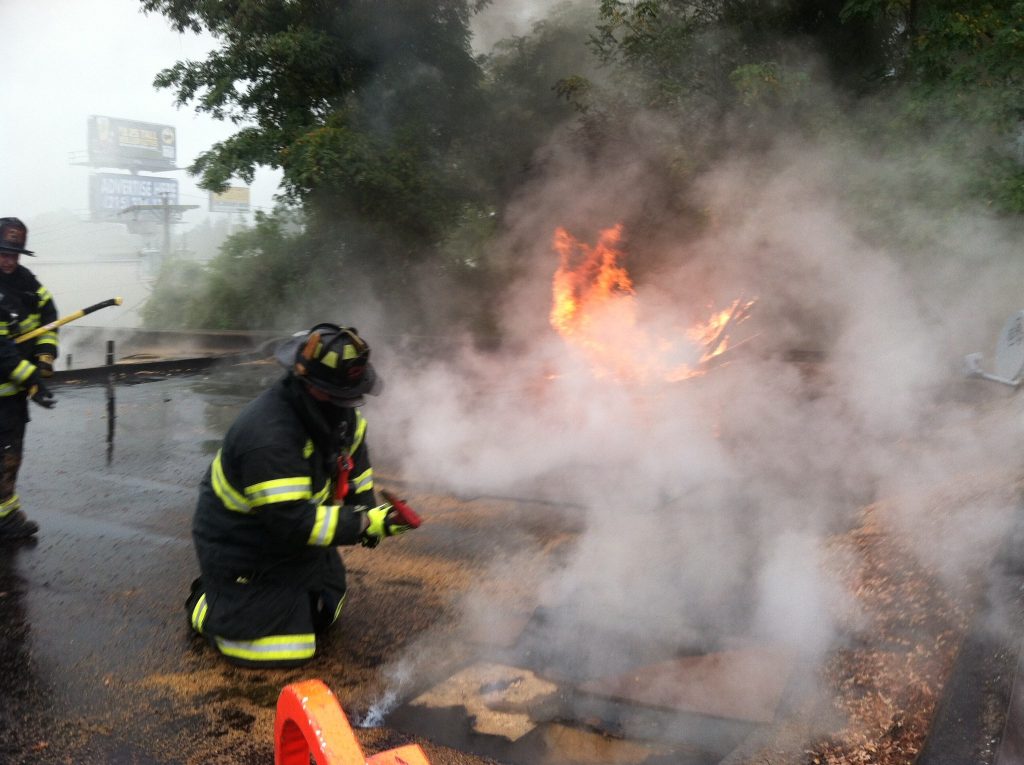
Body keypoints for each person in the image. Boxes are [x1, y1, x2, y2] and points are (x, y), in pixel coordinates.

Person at [186, 322, 419, 667]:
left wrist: (364, 502)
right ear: (313, 387)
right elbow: (293, 522)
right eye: (342, 396)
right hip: (244, 550)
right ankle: (208, 605)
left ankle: (257, 599)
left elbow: (355, 458)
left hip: (289, 548)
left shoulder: (335, 415)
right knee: (286, 654)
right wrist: (365, 524)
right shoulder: (268, 438)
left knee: (326, 613)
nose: (350, 406)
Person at [0, 218, 58, 541]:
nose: (9, 261)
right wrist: (31, 378)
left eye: (15, 254)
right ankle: (5, 520)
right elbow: (2, 350)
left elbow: (49, 317)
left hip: (13, 394)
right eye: (3, 254)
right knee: (5, 453)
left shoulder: (26, 282)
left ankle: (6, 515)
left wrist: (45, 358)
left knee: (10, 454)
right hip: (6, 388)